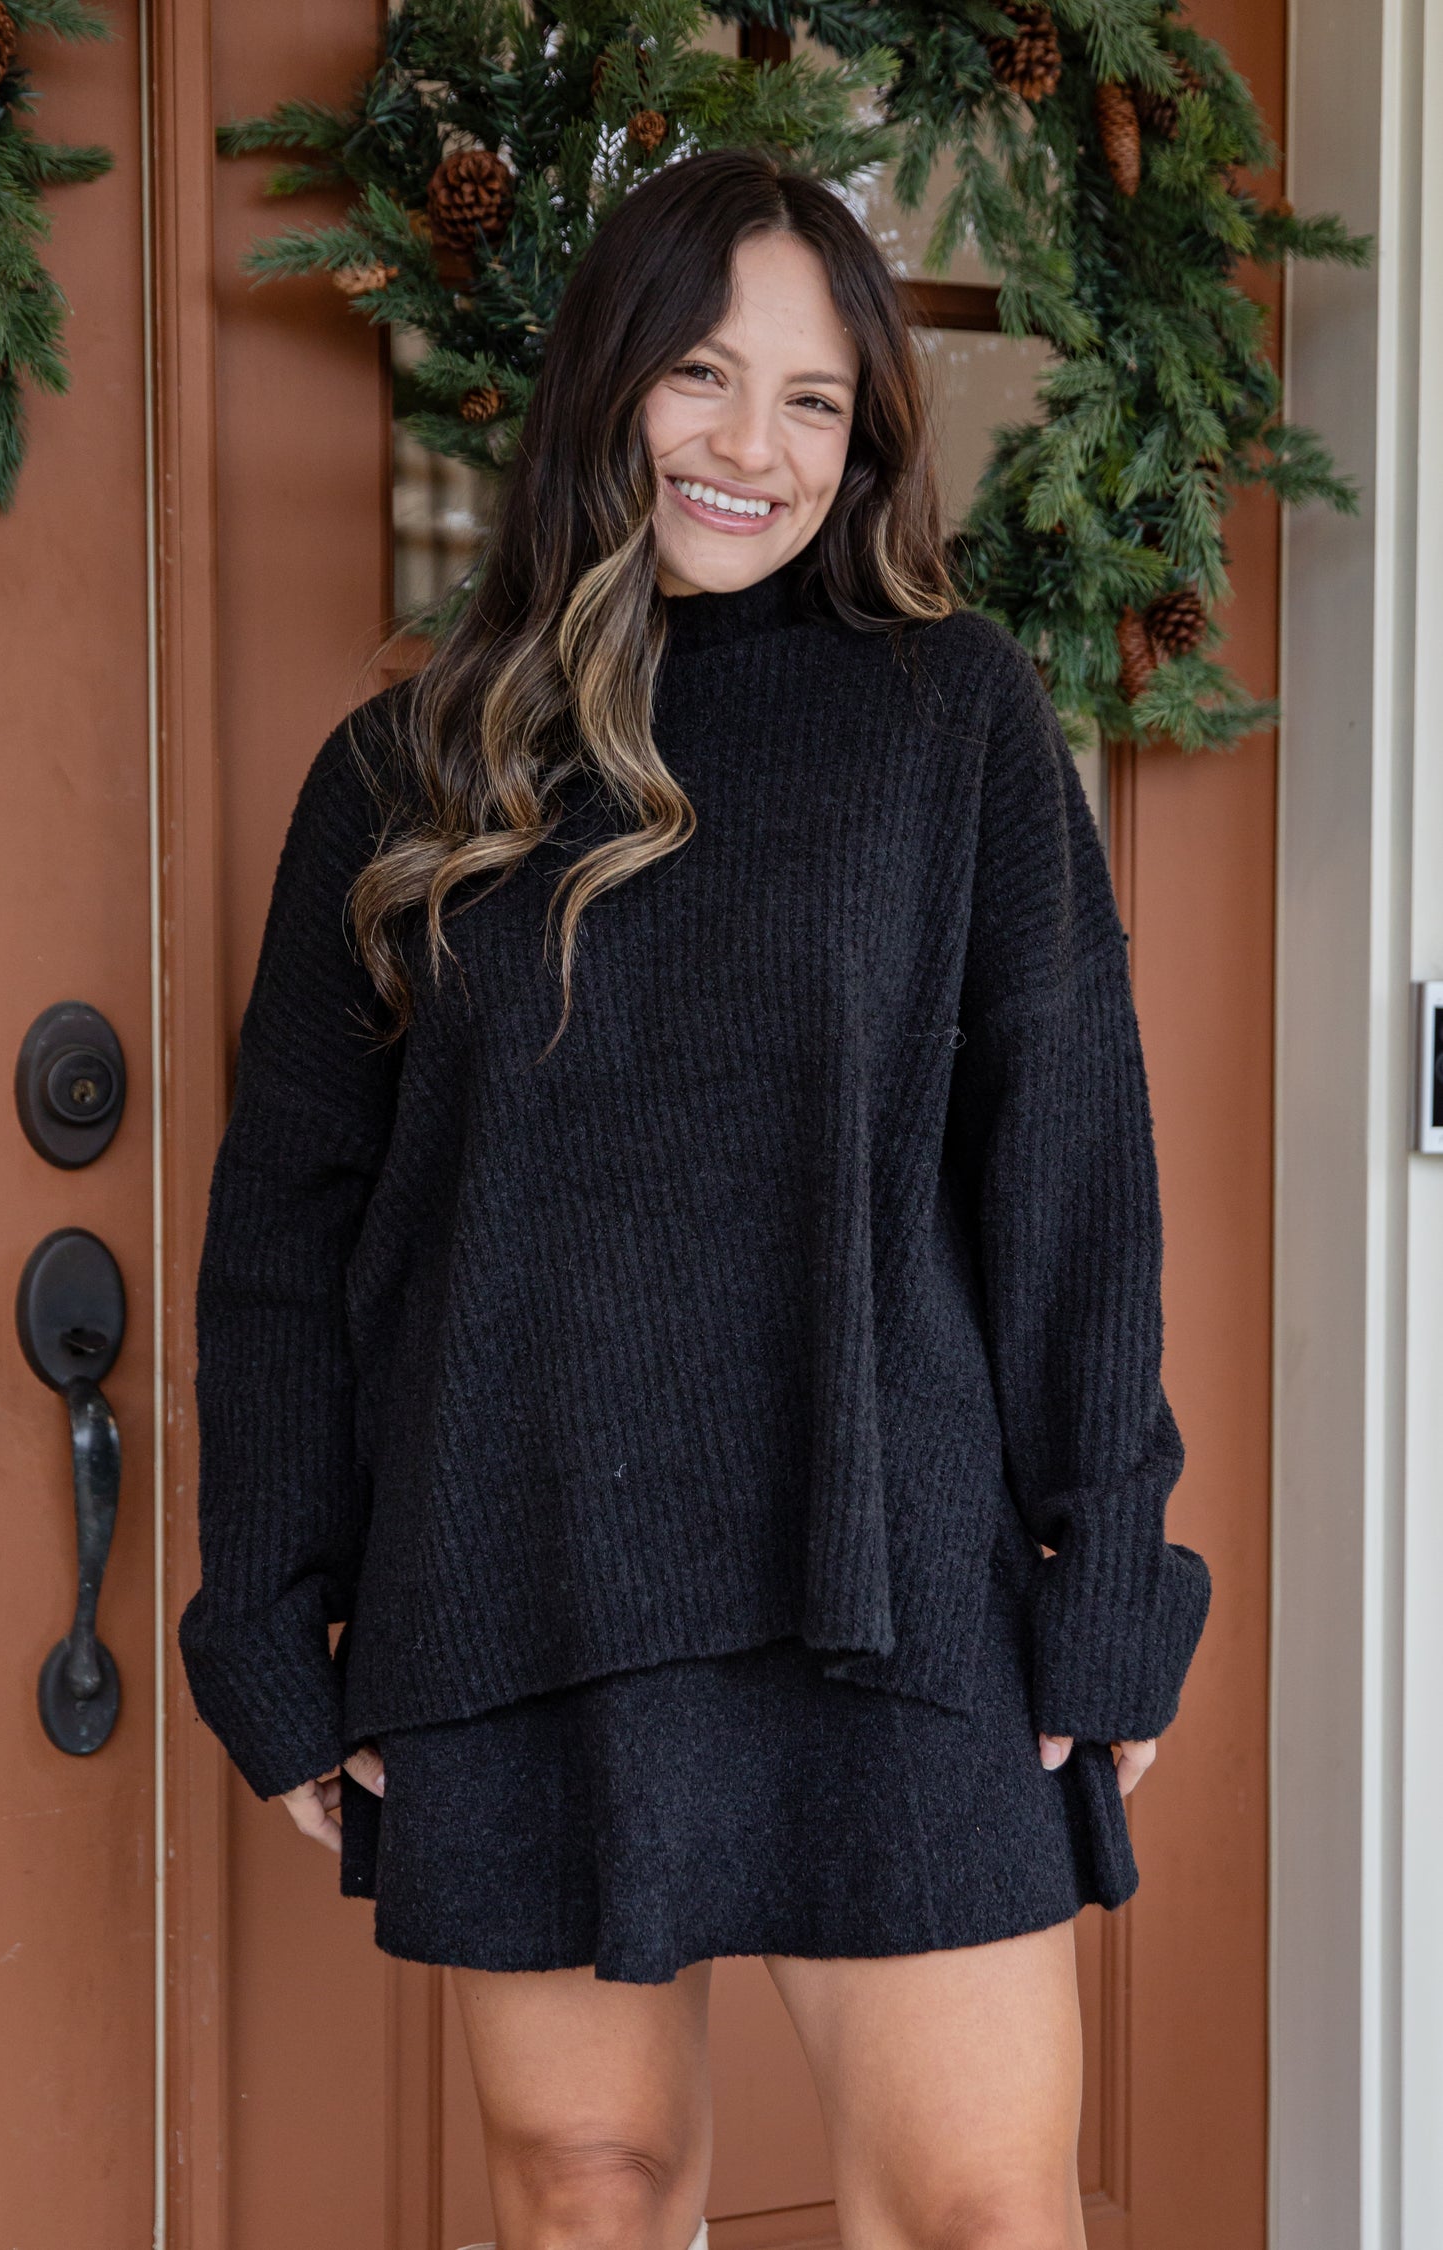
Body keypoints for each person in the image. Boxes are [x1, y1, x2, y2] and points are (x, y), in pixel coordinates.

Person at [179, 147, 1211, 2250]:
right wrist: (267, 1628)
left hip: (893, 1579)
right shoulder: (408, 771)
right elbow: (288, 1229)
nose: (754, 446)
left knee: (984, 2214)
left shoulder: (956, 720)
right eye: (703, 377)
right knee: (588, 2190)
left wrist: (1107, 1579)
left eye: (817, 400)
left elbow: (1074, 1178)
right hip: (520, 1565)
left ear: (866, 436)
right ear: (602, 387)